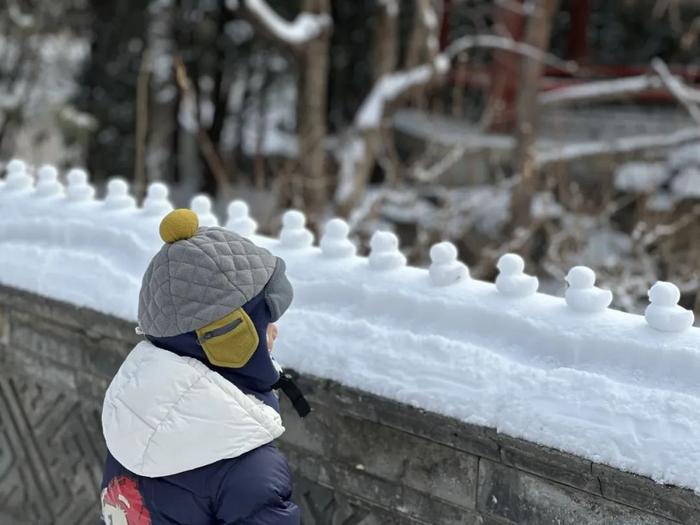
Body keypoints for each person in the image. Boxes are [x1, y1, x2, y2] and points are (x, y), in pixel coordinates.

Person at [100, 208, 300, 525]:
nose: (275, 332)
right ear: (230, 341)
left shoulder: (131, 413)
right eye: (265, 324)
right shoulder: (248, 468)